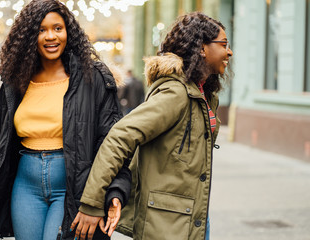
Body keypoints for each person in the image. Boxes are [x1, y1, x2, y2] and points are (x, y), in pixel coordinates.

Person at [0, 0, 131, 239]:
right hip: (26, 187)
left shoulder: (93, 78)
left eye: (58, 28)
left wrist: (111, 194)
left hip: (73, 187)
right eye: (41, 29)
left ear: (68, 31)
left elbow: (111, 144)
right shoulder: (15, 83)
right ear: (28, 36)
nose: (50, 36)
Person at [72, 12, 233, 240]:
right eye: (223, 44)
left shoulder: (203, 94)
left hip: (193, 216)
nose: (229, 51)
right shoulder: (177, 93)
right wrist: (92, 202)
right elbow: (120, 135)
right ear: (202, 49)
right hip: (168, 224)